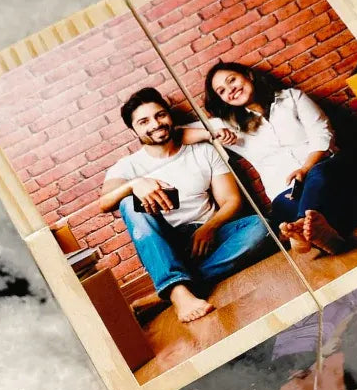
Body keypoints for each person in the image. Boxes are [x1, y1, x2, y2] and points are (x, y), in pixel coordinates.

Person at [99, 88, 273, 323]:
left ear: (170, 116)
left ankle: (170, 292)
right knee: (129, 203)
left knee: (262, 227)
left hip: (211, 236)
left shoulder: (202, 151)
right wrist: (135, 184)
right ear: (134, 130)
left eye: (160, 115)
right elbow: (105, 203)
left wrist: (209, 228)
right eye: (143, 121)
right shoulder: (127, 167)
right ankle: (178, 291)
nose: (155, 124)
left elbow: (231, 200)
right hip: (166, 245)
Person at [182, 61, 357, 255]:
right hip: (285, 190)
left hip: (326, 168)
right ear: (223, 100)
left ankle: (303, 229)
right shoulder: (229, 125)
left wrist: (305, 169)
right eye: (222, 91)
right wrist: (211, 134)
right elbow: (177, 133)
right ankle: (326, 236)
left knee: (319, 177)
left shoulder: (292, 98)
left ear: (249, 75)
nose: (231, 90)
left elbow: (322, 133)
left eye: (232, 80)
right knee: (286, 207)